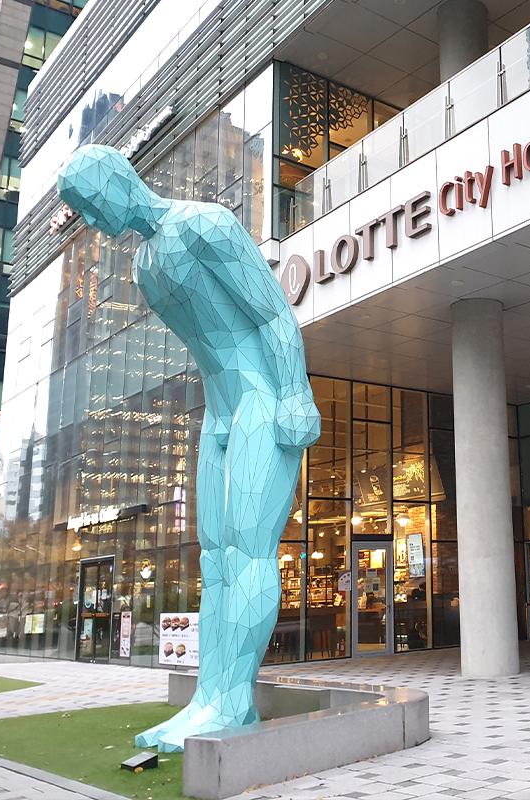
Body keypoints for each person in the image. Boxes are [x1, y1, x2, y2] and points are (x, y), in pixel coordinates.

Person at [57, 145, 320, 752]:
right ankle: (209, 697)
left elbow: (273, 313)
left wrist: (294, 394)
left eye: (90, 204)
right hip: (220, 409)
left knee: (248, 552)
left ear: (117, 181)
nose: (92, 221)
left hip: (261, 398)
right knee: (216, 559)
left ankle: (233, 702)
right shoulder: (145, 266)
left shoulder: (205, 223)